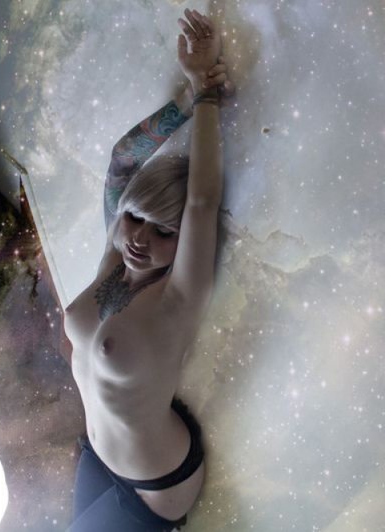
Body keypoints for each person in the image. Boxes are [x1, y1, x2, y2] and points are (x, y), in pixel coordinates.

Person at [63, 8, 233, 531]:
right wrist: (185, 96)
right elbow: (122, 161)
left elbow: (202, 201)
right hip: (100, 452)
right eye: (135, 218)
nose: (139, 239)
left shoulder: (178, 297)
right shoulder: (114, 260)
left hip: (154, 487)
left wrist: (207, 98)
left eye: (164, 232)